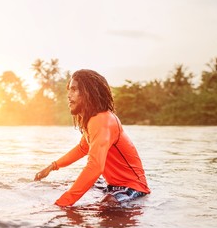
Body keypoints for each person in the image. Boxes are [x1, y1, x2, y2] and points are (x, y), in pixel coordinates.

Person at [34, 69, 150, 207]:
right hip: (113, 185)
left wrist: (60, 205)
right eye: (69, 90)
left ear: (89, 93)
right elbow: (83, 148)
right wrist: (53, 166)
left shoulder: (102, 121)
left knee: (107, 205)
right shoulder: (93, 120)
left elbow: (95, 167)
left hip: (135, 187)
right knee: (67, 184)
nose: (69, 95)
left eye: (74, 89)